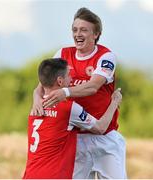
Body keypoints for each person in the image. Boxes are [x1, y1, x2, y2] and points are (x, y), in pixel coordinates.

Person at [32, 7, 127, 179]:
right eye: (75, 30)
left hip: (105, 137)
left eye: (84, 30)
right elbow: (42, 85)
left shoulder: (106, 56)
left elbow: (93, 87)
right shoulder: (63, 53)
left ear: (96, 34)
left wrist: (65, 92)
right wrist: (36, 99)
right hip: (75, 139)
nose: (78, 34)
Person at [23, 58, 122, 179]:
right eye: (69, 75)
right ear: (60, 81)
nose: (72, 79)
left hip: (30, 175)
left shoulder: (35, 108)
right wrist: (114, 102)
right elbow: (101, 128)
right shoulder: (68, 109)